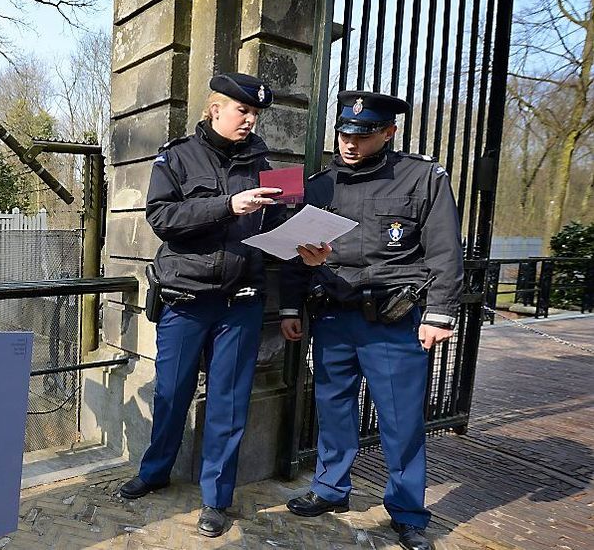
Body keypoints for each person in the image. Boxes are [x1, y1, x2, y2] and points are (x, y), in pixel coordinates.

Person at [118, 73, 310, 538]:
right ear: (215, 108)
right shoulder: (176, 156)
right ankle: (156, 470)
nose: (250, 120)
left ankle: (217, 499)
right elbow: (162, 219)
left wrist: (308, 243)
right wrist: (229, 205)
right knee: (171, 392)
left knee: (228, 403)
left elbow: (291, 225)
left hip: (241, 302)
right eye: (242, 111)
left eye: (255, 114)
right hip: (185, 299)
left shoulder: (269, 164)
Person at [279, 91, 464, 550]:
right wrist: (290, 304)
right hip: (333, 317)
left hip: (393, 320)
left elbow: (444, 250)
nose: (349, 144)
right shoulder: (320, 186)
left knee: (401, 422)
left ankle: (406, 512)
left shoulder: (422, 178)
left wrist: (439, 313)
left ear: (389, 132)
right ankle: (330, 488)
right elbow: (294, 254)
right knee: (334, 408)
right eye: (344, 134)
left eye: (362, 136)